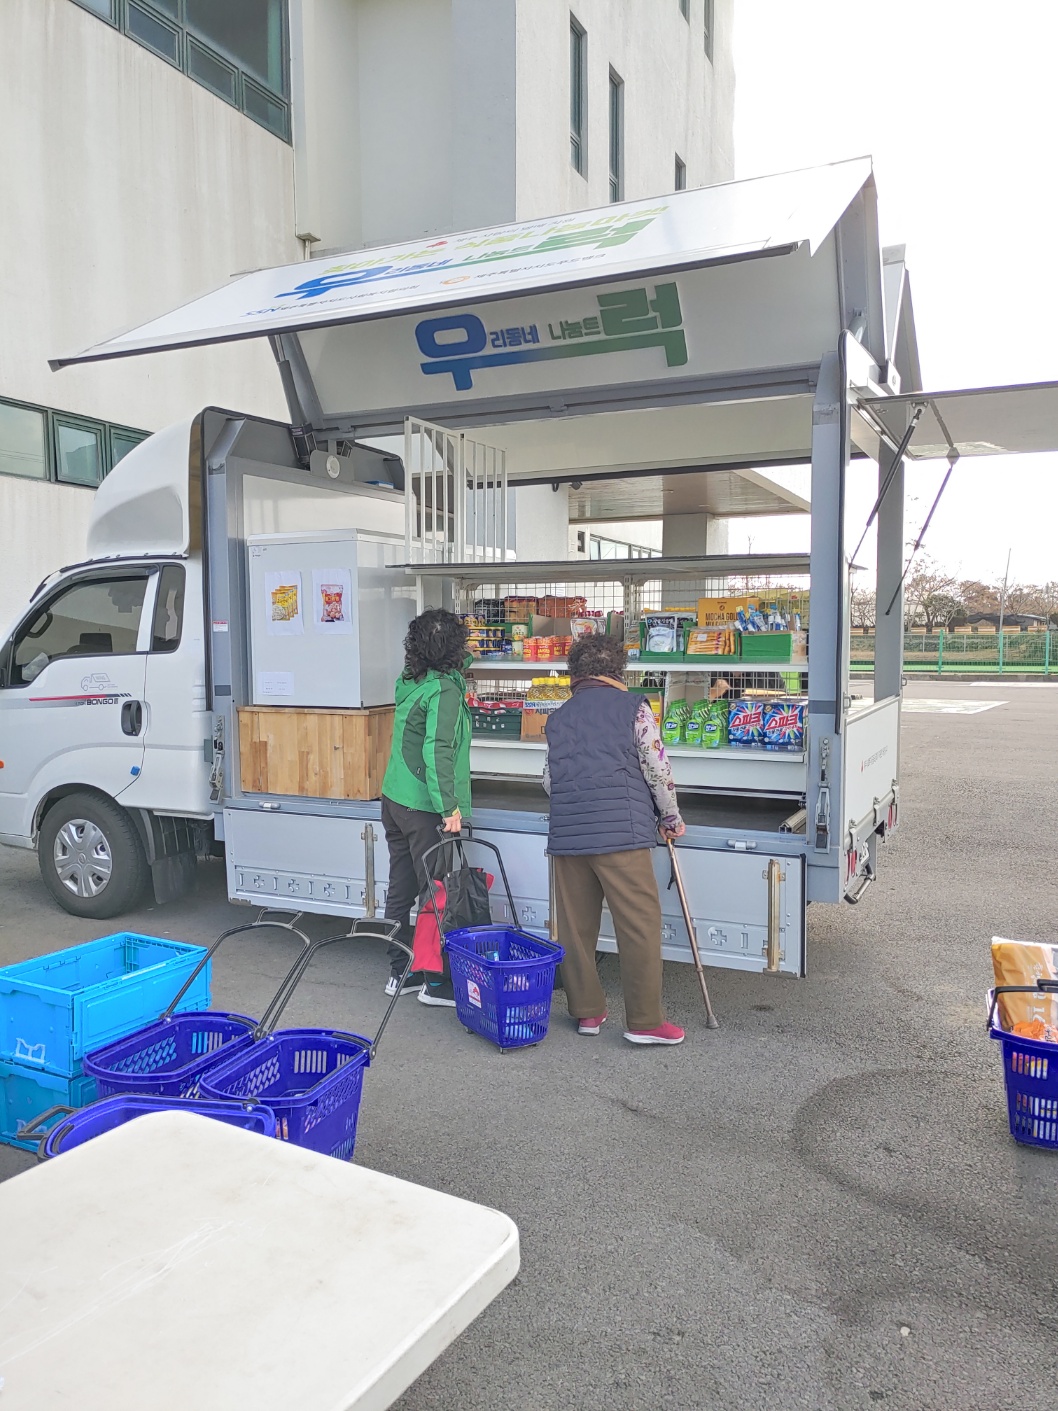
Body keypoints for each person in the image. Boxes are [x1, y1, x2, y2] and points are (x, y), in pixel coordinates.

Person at [542, 634, 687, 1045]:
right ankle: (645, 1022)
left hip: (569, 835)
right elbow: (657, 769)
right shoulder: (634, 709)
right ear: (617, 670)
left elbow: (549, 780)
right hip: (622, 833)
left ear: (575, 673)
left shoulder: (558, 717)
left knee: (574, 928)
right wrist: (670, 816)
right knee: (639, 925)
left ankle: (587, 1012)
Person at [380, 608, 472, 1007]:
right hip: (424, 806)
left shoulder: (410, 678)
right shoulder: (444, 691)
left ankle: (399, 971)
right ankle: (434, 982)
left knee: (401, 886)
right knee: (436, 893)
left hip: (395, 797)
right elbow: (437, 751)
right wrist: (449, 807)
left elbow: (449, 664)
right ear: (454, 648)